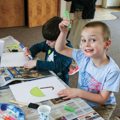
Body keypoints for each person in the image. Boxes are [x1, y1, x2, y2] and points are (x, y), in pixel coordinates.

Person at [55, 20, 120, 119]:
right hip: (83, 99)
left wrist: (78, 92)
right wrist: (64, 32)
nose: (86, 44)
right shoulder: (82, 56)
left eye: (93, 40)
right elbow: (60, 48)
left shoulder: (112, 70)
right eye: (83, 40)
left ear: (106, 44)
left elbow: (102, 99)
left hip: (102, 106)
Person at [24, 16, 72, 85]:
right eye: (46, 40)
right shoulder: (49, 43)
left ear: (62, 37)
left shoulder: (67, 51)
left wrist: (37, 63)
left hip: (60, 82)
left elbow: (57, 66)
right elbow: (38, 46)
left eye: (51, 41)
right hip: (48, 75)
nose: (47, 42)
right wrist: (31, 52)